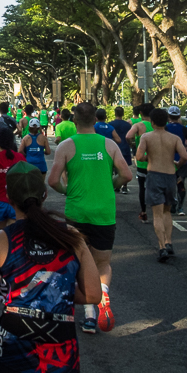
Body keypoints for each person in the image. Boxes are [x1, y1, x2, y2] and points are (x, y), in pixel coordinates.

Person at [0, 162, 100, 373]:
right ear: (44, 195)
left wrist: (5, 291)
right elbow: (93, 294)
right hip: (60, 349)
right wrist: (58, 291)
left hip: (15, 344)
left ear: (8, 197)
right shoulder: (71, 236)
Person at [47, 102, 132, 335]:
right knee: (102, 263)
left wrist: (68, 191)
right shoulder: (109, 144)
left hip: (76, 212)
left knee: (78, 264)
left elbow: (53, 181)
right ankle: (102, 293)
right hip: (104, 213)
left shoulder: (66, 146)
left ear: (74, 121)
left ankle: (89, 317)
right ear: (95, 120)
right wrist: (111, 186)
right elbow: (127, 174)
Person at [135, 108, 187, 262]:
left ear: (151, 122)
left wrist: (149, 157)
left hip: (154, 175)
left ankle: (162, 248)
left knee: (157, 214)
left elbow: (139, 156)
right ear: (167, 121)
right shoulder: (174, 138)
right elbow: (184, 156)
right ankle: (169, 242)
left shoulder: (146, 137)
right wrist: (177, 164)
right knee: (167, 212)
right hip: (170, 175)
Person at [125, 103, 154, 222]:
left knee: (142, 187)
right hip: (157, 161)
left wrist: (132, 145)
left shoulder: (138, 125)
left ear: (141, 113)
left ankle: (144, 211)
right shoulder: (158, 125)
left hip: (142, 161)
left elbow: (128, 136)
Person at [165, 106, 187, 216]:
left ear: (169, 116)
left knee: (169, 184)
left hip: (168, 160)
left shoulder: (165, 128)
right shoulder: (184, 129)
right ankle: (180, 208)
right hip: (182, 159)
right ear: (179, 116)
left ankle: (171, 205)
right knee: (180, 183)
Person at [108, 107, 133, 194]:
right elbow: (131, 136)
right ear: (123, 114)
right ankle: (125, 187)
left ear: (115, 113)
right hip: (125, 147)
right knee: (125, 167)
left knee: (115, 167)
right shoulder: (127, 125)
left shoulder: (110, 124)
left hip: (114, 148)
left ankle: (117, 186)